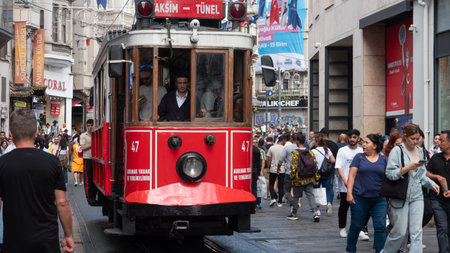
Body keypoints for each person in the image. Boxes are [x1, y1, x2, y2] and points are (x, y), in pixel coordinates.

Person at [0, 109, 74, 253]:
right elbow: (62, 202)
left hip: (14, 242)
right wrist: (68, 235)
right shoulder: (52, 162)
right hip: (46, 242)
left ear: (11, 134)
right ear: (35, 133)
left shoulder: (2, 164)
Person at [383, 124, 439, 253]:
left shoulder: (420, 151)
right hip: (401, 196)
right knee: (399, 232)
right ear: (405, 137)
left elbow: (421, 175)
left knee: (416, 232)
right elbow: (390, 174)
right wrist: (408, 167)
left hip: (417, 196)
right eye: (413, 138)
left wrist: (432, 184)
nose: (415, 141)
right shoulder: (397, 151)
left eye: (417, 138)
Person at [345, 134, 388, 253]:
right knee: (356, 226)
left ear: (374, 146)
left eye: (367, 142)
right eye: (363, 142)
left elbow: (387, 179)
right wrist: (349, 193)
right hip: (360, 198)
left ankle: (379, 250)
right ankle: (350, 249)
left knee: (380, 227)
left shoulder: (384, 159)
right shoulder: (358, 157)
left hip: (379, 199)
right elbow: (351, 176)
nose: (363, 145)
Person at [335, 129, 364, 239]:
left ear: (358, 138)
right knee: (344, 207)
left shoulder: (361, 151)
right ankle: (342, 228)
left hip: (359, 185)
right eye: (350, 137)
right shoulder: (342, 150)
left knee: (359, 208)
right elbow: (339, 167)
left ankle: (359, 229)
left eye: (354, 137)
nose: (352, 139)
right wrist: (345, 180)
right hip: (345, 185)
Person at [288, 134, 321, 222]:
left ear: (297, 141)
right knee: (310, 196)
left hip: (299, 179)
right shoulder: (310, 152)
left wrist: (292, 178)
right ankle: (315, 213)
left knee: (296, 196)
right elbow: (315, 166)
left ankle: (294, 213)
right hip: (309, 178)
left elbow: (294, 168)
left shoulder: (295, 153)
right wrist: (316, 178)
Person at [427, 130, 450, 253]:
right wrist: (436, 177)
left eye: (442, 140)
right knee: (442, 228)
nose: (438, 142)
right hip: (437, 199)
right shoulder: (435, 157)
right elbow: (426, 173)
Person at [311, 133, 336, 216]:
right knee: (329, 188)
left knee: (316, 189)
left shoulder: (313, 151)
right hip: (327, 172)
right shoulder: (327, 149)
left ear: (316, 143)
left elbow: (311, 163)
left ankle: (317, 208)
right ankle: (329, 203)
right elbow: (333, 160)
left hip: (317, 172)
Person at [81, 119, 98, 205]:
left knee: (96, 179)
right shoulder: (83, 135)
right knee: (89, 179)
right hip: (87, 159)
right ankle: (90, 198)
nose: (90, 127)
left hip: (96, 158)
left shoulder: (97, 134)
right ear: (87, 126)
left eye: (92, 125)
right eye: (89, 125)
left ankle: (95, 197)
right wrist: (93, 143)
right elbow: (83, 147)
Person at [267, 135, 287, 207]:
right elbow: (285, 159)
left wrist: (268, 167)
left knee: (271, 184)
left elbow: (269, 159)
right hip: (282, 169)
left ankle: (273, 198)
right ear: (283, 140)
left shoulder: (272, 148)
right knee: (281, 186)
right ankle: (280, 202)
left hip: (273, 169)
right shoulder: (284, 148)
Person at [252, 138, 262, 210]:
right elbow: (259, 163)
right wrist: (258, 172)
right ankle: (255, 202)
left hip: (247, 169)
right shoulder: (257, 150)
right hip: (254, 170)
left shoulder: (246, 148)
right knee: (254, 187)